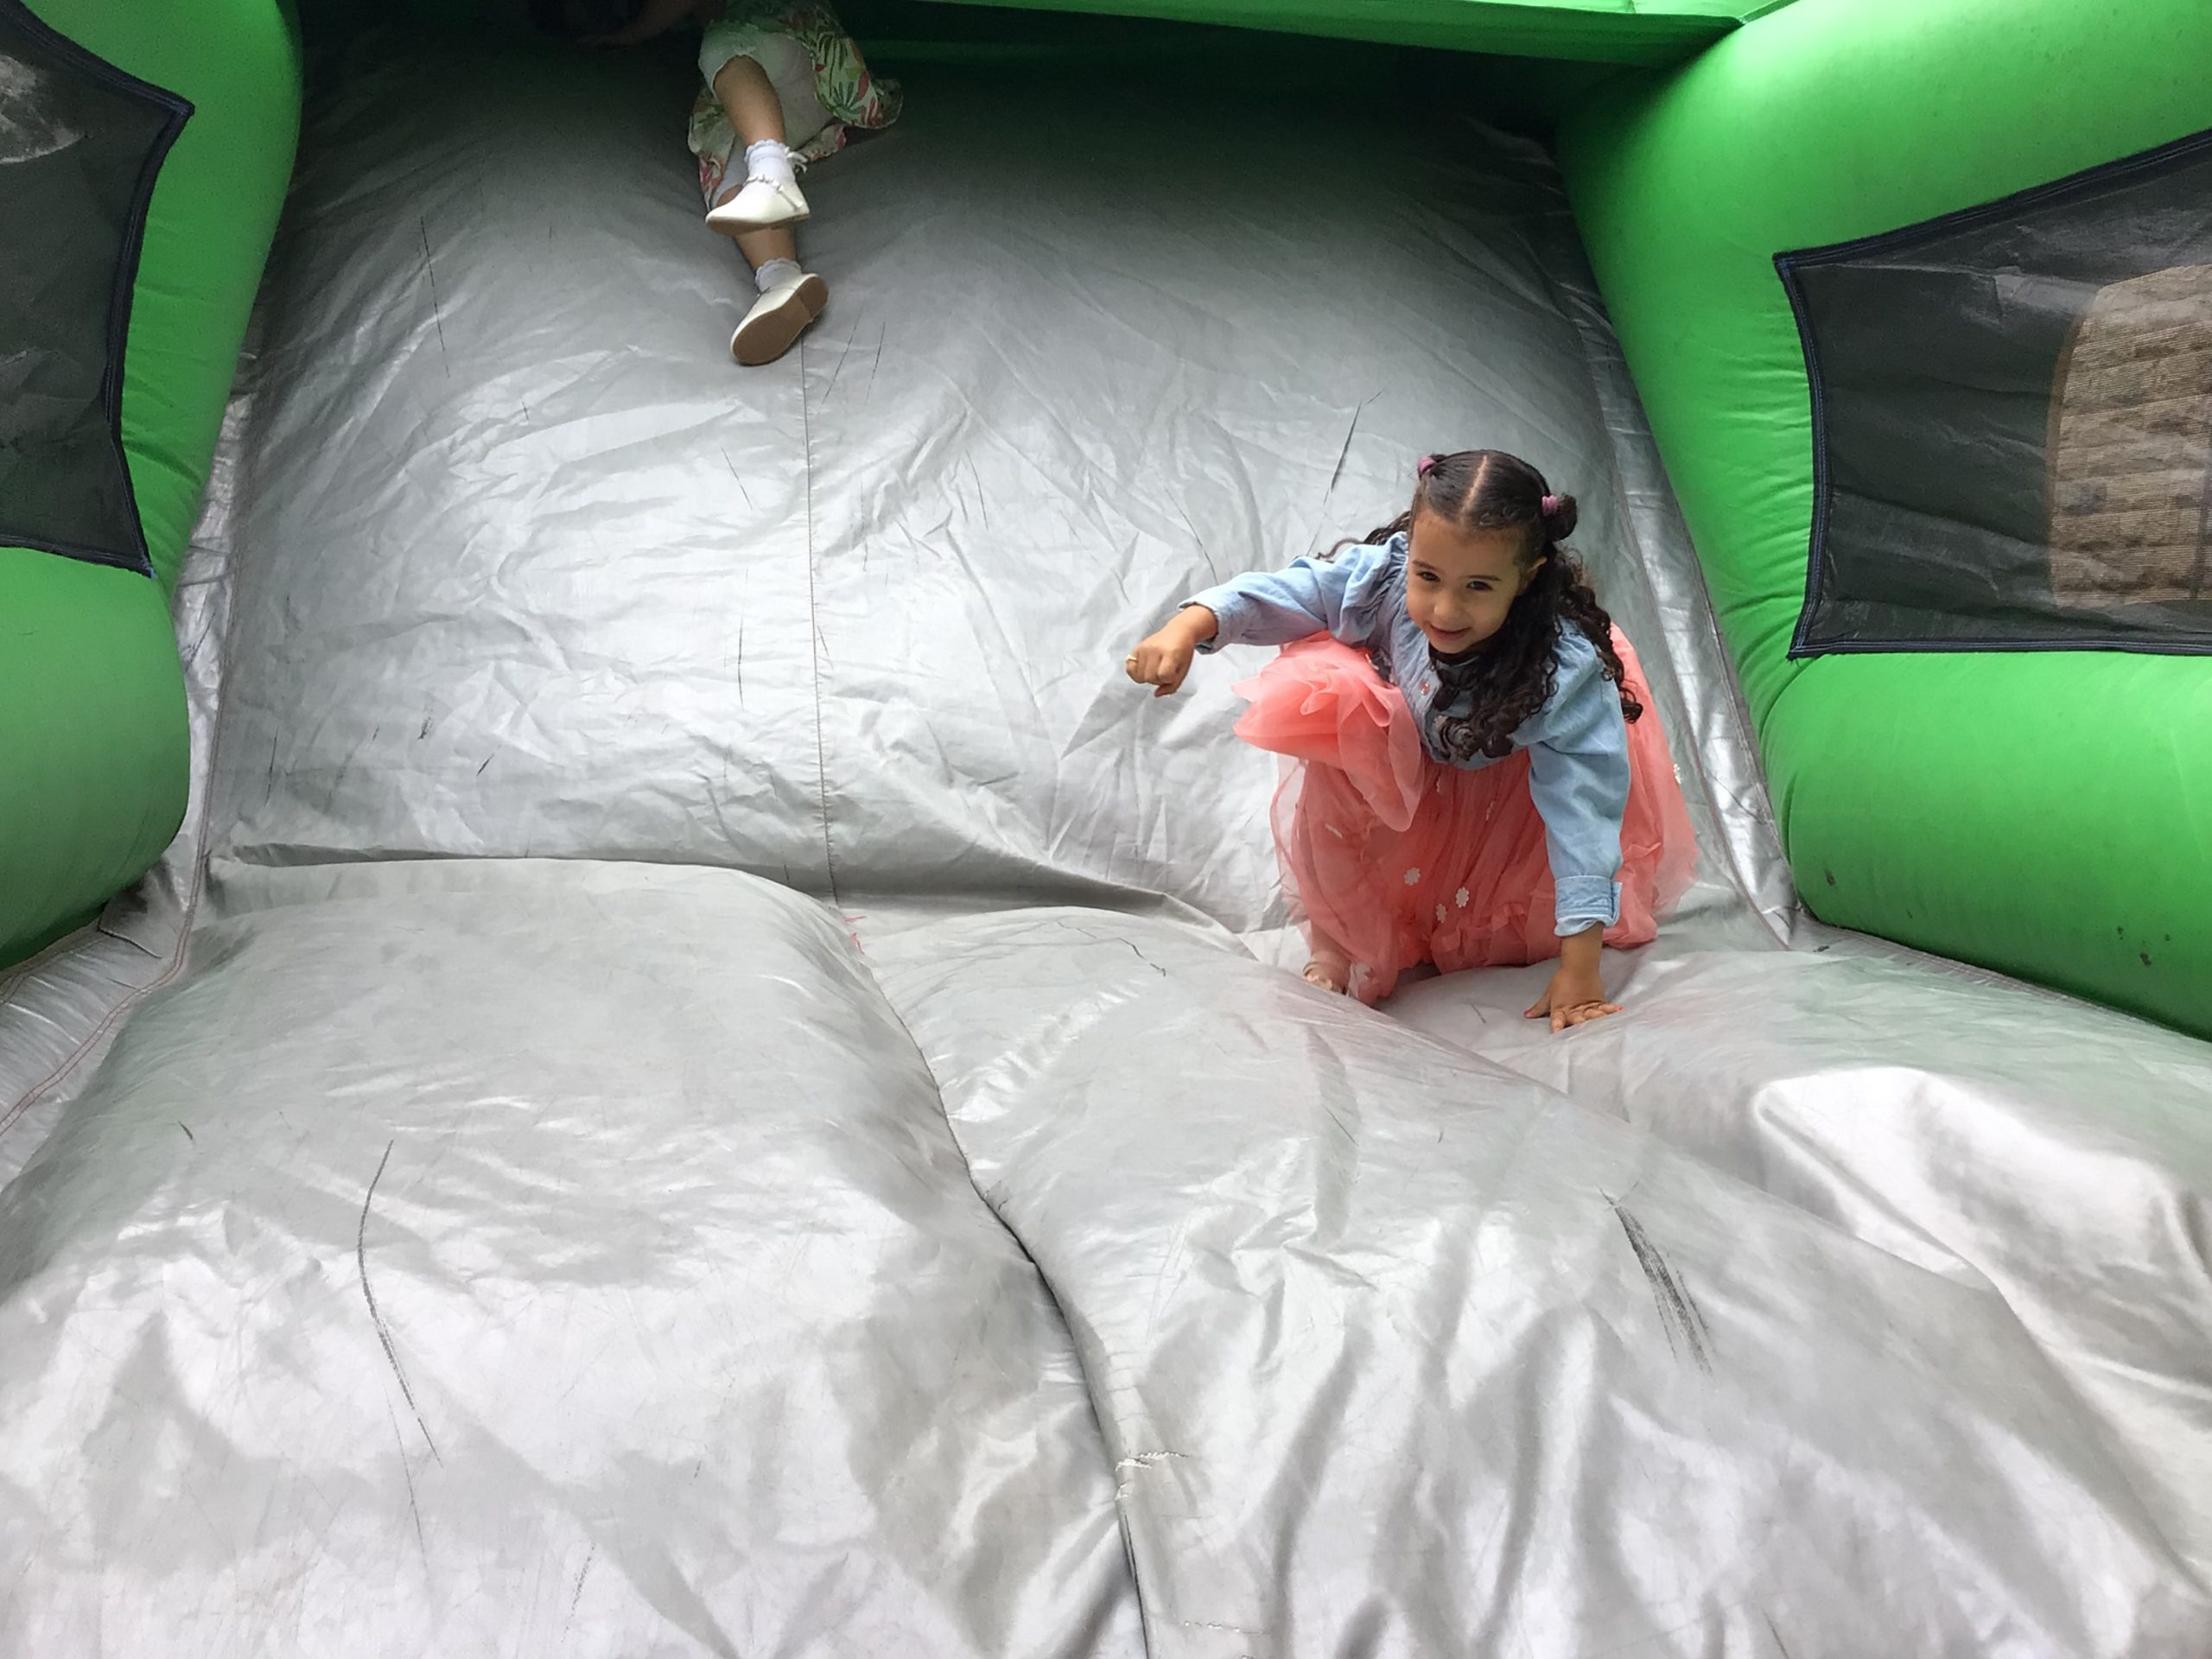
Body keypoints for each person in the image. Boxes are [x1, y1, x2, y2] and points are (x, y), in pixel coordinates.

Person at [1123, 449, 1696, 1028]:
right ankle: (1341, 945)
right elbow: (1295, 591)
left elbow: (1582, 813)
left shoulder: (1560, 673)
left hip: (1501, 788)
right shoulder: (1387, 580)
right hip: (1410, 760)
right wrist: (1189, 627)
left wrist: (1581, 968)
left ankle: (1460, 926)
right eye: (1428, 577)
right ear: (1412, 554)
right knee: (1341, 706)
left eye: (1478, 586)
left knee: (1517, 864)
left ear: (1526, 579)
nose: (1445, 609)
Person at [536, 0, 899, 365]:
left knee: (724, 41)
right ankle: (780, 280)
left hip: (803, 51)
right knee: (722, 157)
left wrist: (633, 33)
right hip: (788, 101)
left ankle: (771, 172)